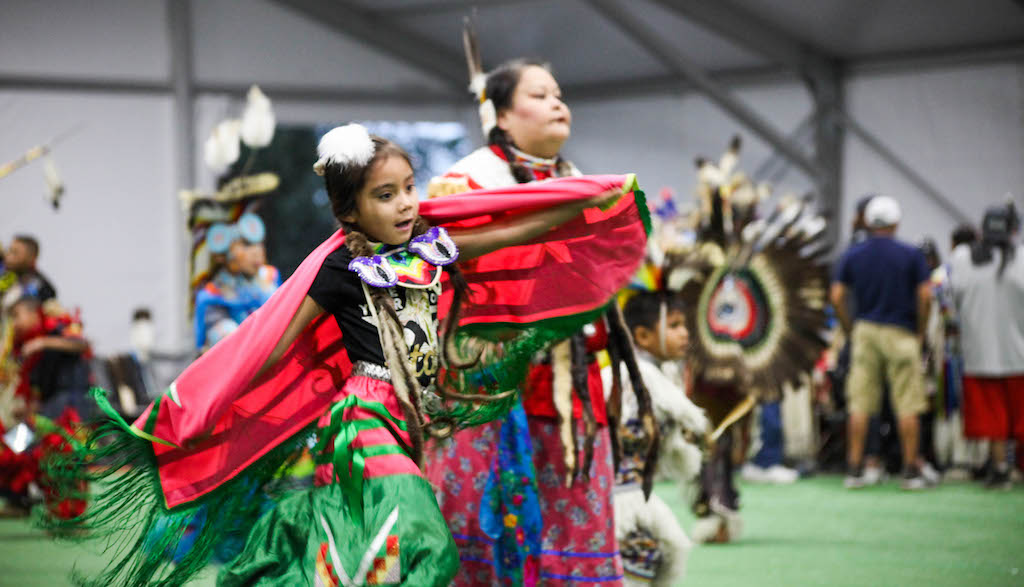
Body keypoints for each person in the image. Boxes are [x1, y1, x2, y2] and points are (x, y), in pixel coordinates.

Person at [41, 124, 649, 586]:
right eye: (386, 195)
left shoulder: (433, 245)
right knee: (427, 544)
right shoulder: (338, 268)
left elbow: (512, 229)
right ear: (350, 211)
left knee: (369, 548)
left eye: (410, 188)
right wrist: (196, 405)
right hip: (362, 419)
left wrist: (592, 200)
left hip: (413, 420)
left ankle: (288, 556)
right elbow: (267, 345)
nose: (407, 203)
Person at [425, 54, 629, 585]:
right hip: (486, 388)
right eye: (539, 95)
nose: (557, 102)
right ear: (501, 115)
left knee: (575, 517)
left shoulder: (582, 185)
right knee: (477, 519)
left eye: (558, 93)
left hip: (568, 388)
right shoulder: (463, 184)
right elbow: (443, 276)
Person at [602, 291, 707, 586]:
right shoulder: (638, 377)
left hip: (627, 494)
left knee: (647, 554)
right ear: (643, 336)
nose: (685, 334)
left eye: (684, 325)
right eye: (674, 326)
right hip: (620, 498)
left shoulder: (655, 376)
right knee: (640, 551)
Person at [830, 195, 934, 490]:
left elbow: (837, 296)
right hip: (901, 332)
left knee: (860, 402)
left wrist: (850, 327)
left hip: (865, 332)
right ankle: (911, 471)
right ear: (896, 222)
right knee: (907, 403)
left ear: (867, 221)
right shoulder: (911, 255)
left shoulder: (854, 254)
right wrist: (920, 330)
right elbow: (925, 295)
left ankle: (854, 468)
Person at [949, 205, 1024, 489]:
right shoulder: (1021, 258)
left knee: (994, 420)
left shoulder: (963, 258)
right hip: (1019, 352)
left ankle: (1001, 468)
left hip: (980, 353)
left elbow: (951, 299)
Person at [0, 235, 57, 308]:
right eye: (9, 250)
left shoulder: (43, 289)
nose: (8, 256)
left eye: (15, 253)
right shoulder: (3, 268)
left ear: (31, 258)